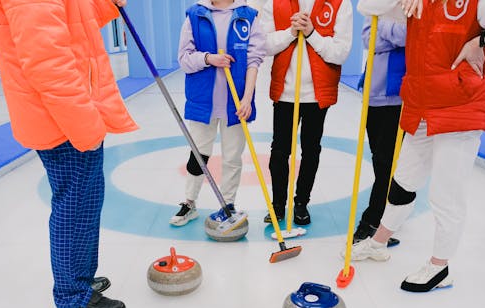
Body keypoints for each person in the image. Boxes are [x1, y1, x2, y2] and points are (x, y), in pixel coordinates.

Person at [351, 0, 485, 292]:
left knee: (446, 194)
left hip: (461, 105)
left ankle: (440, 266)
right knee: (403, 180)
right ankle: (378, 242)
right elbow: (367, 6)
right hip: (422, 102)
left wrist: (483, 40)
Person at [0, 0, 137, 308]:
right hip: (61, 118)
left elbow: (74, 18)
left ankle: (79, 278)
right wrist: (84, 125)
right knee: (75, 203)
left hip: (68, 113)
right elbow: (46, 61)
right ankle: (72, 294)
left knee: (84, 200)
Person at [169, 0, 265, 227]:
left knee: (232, 156)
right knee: (198, 154)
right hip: (203, 100)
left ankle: (228, 204)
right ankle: (189, 202)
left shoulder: (248, 16)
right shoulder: (195, 15)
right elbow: (184, 59)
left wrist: (247, 98)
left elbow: (254, 60)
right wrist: (208, 58)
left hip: (236, 102)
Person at [261, 0, 352, 226]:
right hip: (286, 92)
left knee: (311, 150)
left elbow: (340, 53)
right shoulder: (275, 2)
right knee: (280, 151)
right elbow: (264, 45)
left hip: (317, 93)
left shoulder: (339, 3)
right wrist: (291, 32)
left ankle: (301, 203)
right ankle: (278, 205)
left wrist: (312, 33)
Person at [353, 15, 406, 246]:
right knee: (379, 160)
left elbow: (409, 37)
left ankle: (372, 221)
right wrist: (393, 36)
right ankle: (385, 214)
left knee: (387, 164)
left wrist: (382, 27)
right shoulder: (377, 6)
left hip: (398, 98)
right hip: (372, 94)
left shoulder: (411, 7)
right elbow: (368, 39)